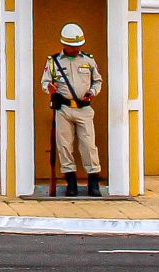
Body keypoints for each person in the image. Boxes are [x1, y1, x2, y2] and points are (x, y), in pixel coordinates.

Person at [41, 22, 103, 197]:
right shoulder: (53, 62)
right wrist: (49, 88)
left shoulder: (88, 60)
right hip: (64, 109)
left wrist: (92, 92)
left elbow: (97, 80)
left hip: (84, 109)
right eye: (72, 46)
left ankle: (93, 182)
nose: (76, 49)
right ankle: (71, 183)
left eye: (78, 46)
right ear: (64, 44)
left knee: (89, 145)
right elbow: (44, 82)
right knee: (65, 146)